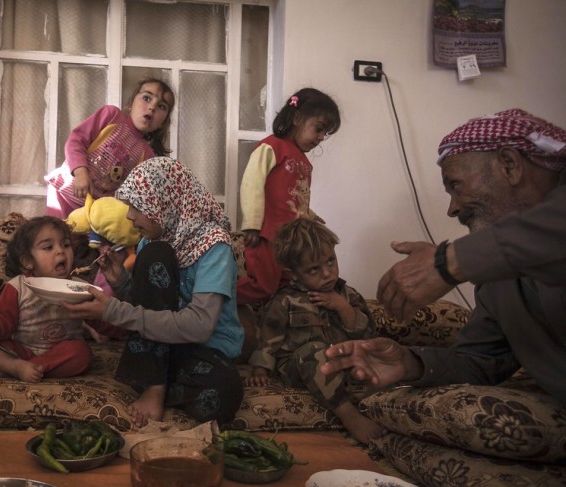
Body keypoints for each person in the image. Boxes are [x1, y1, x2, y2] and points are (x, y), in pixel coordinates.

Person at [321, 109, 566, 404]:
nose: (452, 209)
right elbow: (481, 360)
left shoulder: (486, 254)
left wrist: (447, 262)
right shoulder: (496, 268)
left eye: (456, 185)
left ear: (509, 165)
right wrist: (409, 363)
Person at [62, 157, 245, 428]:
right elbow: (149, 303)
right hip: (157, 350)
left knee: (225, 391)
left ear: (166, 202)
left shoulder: (214, 247)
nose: (129, 216)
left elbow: (199, 327)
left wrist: (113, 311)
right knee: (157, 252)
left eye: (137, 206)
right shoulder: (151, 243)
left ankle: (153, 382)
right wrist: (122, 283)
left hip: (201, 351)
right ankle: (154, 385)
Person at [244, 217, 382, 443]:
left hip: (342, 361)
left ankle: (385, 409)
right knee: (314, 351)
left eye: (330, 261)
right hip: (300, 365)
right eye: (314, 269)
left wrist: (342, 307)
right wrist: (260, 370)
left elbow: (367, 334)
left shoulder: (348, 295)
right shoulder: (286, 299)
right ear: (294, 274)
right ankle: (349, 415)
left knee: (379, 353)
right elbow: (269, 337)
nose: (327, 273)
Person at [236, 87, 341, 306]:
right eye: (319, 129)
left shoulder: (303, 161)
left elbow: (294, 198)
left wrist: (312, 217)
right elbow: (252, 184)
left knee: (287, 286)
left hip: (292, 242)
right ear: (297, 118)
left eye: (326, 133)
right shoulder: (272, 147)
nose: (321, 138)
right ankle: (212, 298)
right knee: (263, 286)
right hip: (268, 235)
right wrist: (252, 224)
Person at [0, 216, 95, 382]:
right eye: (48, 247)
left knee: (82, 353)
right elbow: (4, 319)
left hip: (61, 352)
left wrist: (108, 307)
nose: (60, 251)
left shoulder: (81, 288)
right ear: (28, 261)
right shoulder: (18, 286)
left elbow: (102, 318)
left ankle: (15, 369)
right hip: (21, 350)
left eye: (65, 244)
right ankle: (17, 366)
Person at [45, 77, 175, 219]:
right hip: (65, 193)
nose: (152, 107)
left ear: (163, 122)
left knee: (84, 242)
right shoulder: (111, 116)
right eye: (147, 98)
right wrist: (81, 173)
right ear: (131, 103)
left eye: (162, 106)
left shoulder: (147, 155)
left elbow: (133, 193)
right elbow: (76, 141)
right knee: (56, 235)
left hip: (96, 214)